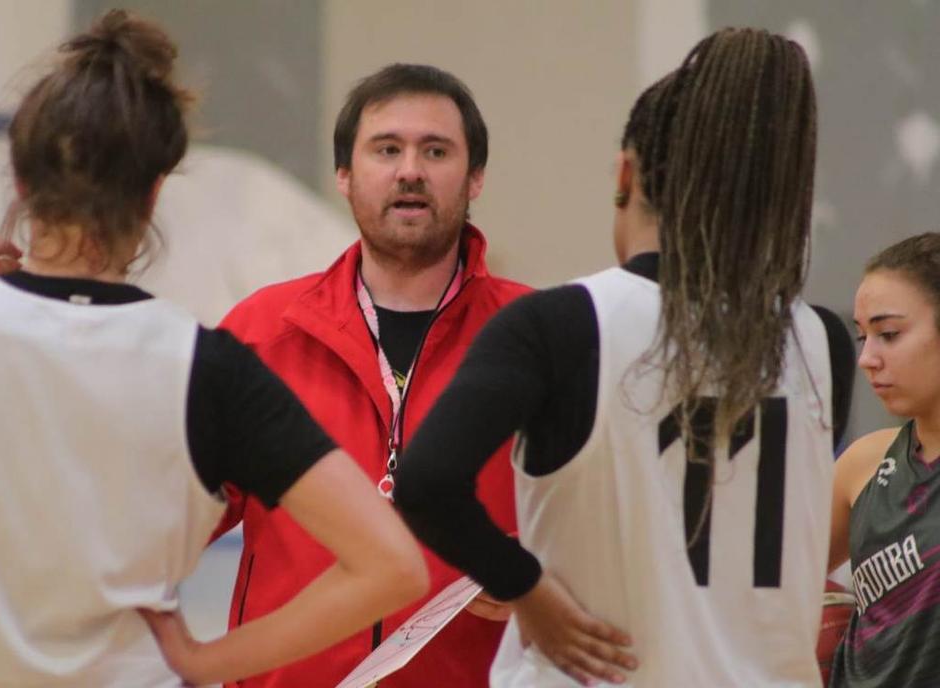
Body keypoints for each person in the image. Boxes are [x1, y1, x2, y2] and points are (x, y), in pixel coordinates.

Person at [0, 11, 427, 687]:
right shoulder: (207, 370)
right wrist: (209, 660)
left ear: (21, 182)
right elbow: (391, 564)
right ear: (155, 192)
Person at [395, 27, 855, 687]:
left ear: (625, 176)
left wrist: (526, 587)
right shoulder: (824, 342)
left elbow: (427, 483)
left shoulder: (560, 324)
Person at [207, 63, 532, 688]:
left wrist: (549, 576)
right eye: (387, 149)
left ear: (476, 177)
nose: (410, 170)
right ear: (345, 175)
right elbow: (168, 522)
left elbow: (607, 533)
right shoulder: (260, 332)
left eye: (435, 151)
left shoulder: (537, 338)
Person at [828, 233, 940, 687]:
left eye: (888, 334)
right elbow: (767, 584)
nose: (866, 359)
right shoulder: (864, 462)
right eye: (862, 336)